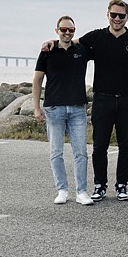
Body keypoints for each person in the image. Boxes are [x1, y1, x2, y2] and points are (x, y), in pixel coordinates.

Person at [81, 0, 128, 201]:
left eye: (121, 15)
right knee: (99, 145)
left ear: (127, 17)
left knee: (126, 145)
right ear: (107, 14)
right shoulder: (96, 37)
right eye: (114, 15)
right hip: (102, 99)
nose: (117, 19)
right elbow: (72, 43)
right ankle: (99, 185)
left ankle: (122, 185)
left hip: (127, 99)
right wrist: (52, 42)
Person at [32, 16, 94, 206]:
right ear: (57, 30)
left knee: (81, 152)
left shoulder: (82, 50)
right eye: (63, 29)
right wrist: (36, 107)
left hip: (77, 108)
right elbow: (37, 80)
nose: (67, 33)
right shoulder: (47, 51)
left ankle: (81, 192)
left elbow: (103, 42)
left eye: (71, 30)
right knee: (56, 152)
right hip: (54, 108)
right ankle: (62, 190)